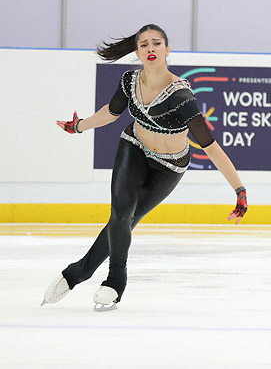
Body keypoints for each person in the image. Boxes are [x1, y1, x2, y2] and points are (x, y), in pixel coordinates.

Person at [41, 24, 248, 311]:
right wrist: (78, 127)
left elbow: (210, 147)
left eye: (157, 43)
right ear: (137, 51)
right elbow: (111, 114)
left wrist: (239, 190)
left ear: (167, 49)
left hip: (169, 167)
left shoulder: (182, 98)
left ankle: (78, 271)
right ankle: (115, 281)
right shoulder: (129, 82)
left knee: (127, 219)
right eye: (144, 44)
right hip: (134, 147)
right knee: (120, 213)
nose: (150, 48)